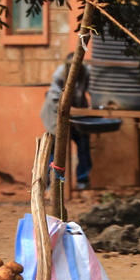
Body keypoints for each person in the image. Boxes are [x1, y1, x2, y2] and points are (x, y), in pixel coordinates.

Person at [41, 53, 92, 189]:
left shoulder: (86, 72)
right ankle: (51, 183)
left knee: (83, 144)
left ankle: (83, 180)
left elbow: (91, 89)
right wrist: (69, 109)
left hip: (77, 112)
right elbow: (56, 98)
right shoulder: (60, 74)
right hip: (56, 113)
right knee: (55, 148)